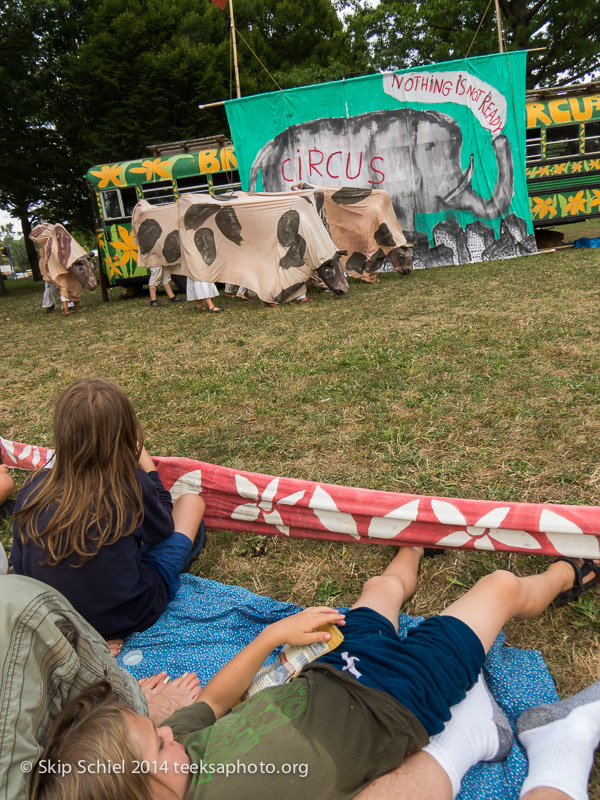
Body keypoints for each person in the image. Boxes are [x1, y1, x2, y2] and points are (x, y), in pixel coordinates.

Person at [27, 547, 600, 799]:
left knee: (378, 592)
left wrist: (272, 635)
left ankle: (415, 548)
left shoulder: (186, 750)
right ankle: (565, 577)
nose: (170, 728)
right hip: (398, 700)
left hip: (336, 670)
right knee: (499, 587)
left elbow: (221, 697)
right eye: (157, 743)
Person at [11, 378, 206, 655]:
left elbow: (19, 562)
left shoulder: (34, 486)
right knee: (192, 503)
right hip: (126, 616)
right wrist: (149, 470)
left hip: (54, 620)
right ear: (127, 434)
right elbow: (163, 527)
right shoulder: (131, 484)